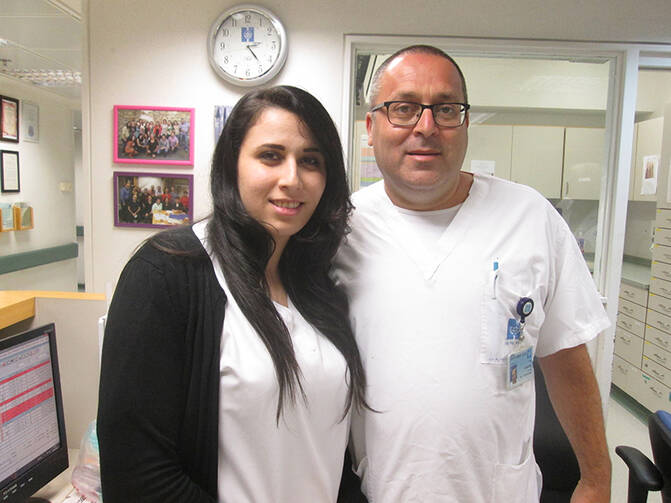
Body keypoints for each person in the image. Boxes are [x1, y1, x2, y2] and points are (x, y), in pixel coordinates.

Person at [334, 45, 612, 503]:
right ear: (371, 127)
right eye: (403, 109)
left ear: (464, 123)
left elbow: (566, 355)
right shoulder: (338, 230)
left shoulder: (530, 217)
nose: (426, 127)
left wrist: (596, 480)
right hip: (383, 490)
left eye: (445, 109)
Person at [97, 85, 368, 503]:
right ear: (232, 164)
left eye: (310, 161)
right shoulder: (168, 273)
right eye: (270, 156)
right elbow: (137, 475)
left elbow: (330, 454)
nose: (292, 179)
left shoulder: (318, 284)